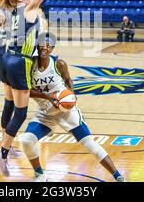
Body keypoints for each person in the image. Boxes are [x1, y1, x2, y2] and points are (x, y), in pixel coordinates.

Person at [0, 0, 75, 177]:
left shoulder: (12, 11)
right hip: (19, 63)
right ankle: (2, 154)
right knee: (21, 112)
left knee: (8, 104)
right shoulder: (28, 8)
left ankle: (5, 143)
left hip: (6, 58)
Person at [19, 35, 125, 182]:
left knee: (89, 143)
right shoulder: (30, 65)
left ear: (52, 48)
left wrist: (71, 92)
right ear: (37, 46)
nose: (45, 47)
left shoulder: (59, 64)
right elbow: (26, 91)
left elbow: (68, 79)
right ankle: (39, 174)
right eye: (42, 44)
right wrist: (48, 96)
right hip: (45, 113)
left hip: (66, 111)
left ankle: (118, 176)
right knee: (26, 140)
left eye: (49, 45)